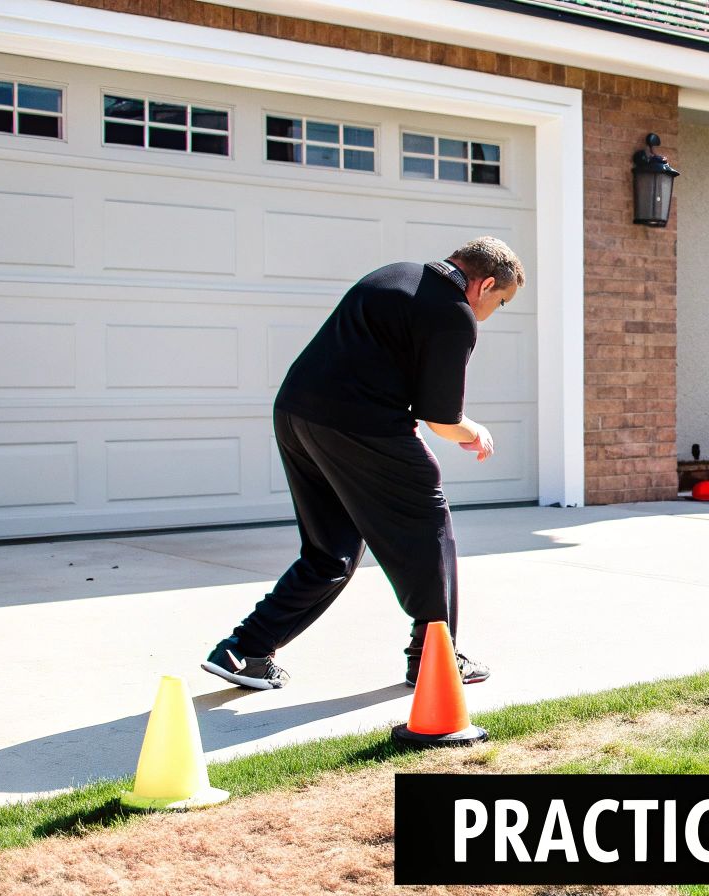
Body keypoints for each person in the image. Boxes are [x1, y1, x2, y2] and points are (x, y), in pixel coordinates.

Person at [201, 237, 524, 692]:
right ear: (485, 283)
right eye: (501, 301)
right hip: (362, 426)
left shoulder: (392, 274)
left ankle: (245, 649)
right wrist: (475, 432)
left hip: (296, 415)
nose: (493, 311)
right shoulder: (454, 314)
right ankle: (434, 658)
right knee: (429, 526)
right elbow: (441, 419)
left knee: (330, 551)